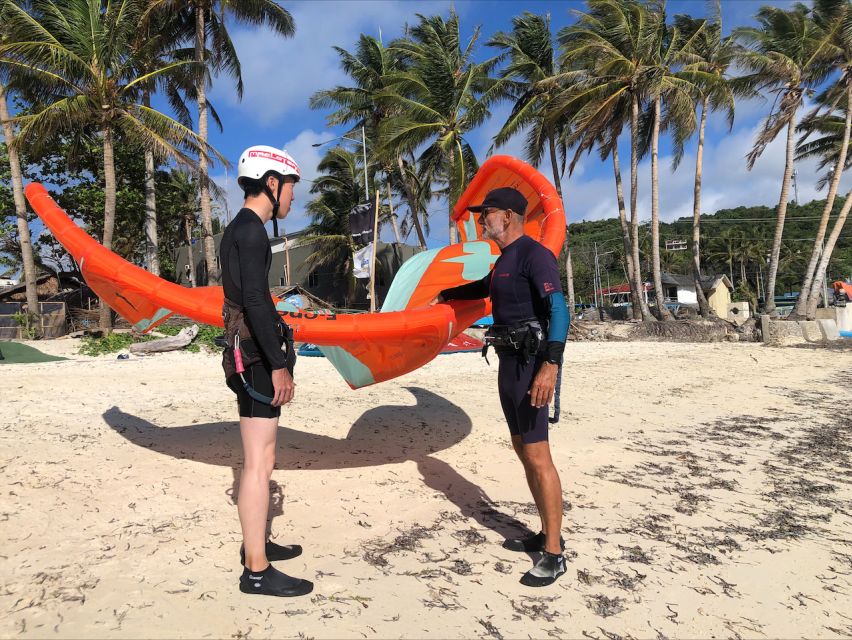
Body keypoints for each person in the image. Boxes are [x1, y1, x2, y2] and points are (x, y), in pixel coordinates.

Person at [433, 187, 570, 587]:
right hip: (508, 364)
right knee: (522, 449)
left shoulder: (535, 255)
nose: (481, 220)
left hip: (532, 366)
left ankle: (555, 552)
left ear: (507, 216)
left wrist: (551, 366)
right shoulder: (505, 259)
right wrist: (440, 295)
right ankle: (545, 532)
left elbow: (558, 311)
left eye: (486, 213)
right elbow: (480, 290)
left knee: (538, 453)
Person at [219, 145, 312, 598]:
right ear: (272, 183)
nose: (293, 198)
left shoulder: (237, 229)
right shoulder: (253, 233)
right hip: (255, 358)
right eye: (292, 187)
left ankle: (258, 545)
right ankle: (255, 570)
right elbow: (255, 300)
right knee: (260, 463)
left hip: (244, 353)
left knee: (260, 459)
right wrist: (279, 366)